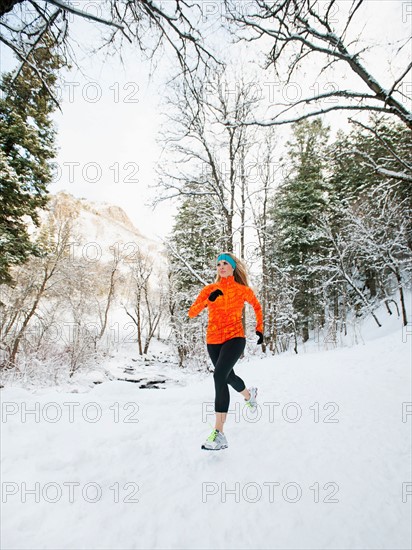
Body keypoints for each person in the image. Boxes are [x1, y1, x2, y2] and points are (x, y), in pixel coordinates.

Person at [188, 252, 264, 451]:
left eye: (225, 263)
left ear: (232, 267)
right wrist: (207, 300)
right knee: (228, 377)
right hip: (213, 340)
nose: (221, 266)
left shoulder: (242, 290)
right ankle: (249, 395)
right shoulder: (209, 289)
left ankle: (219, 433)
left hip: (235, 338)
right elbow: (192, 312)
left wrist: (259, 329)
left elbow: (257, 307)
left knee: (219, 375)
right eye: (218, 264)